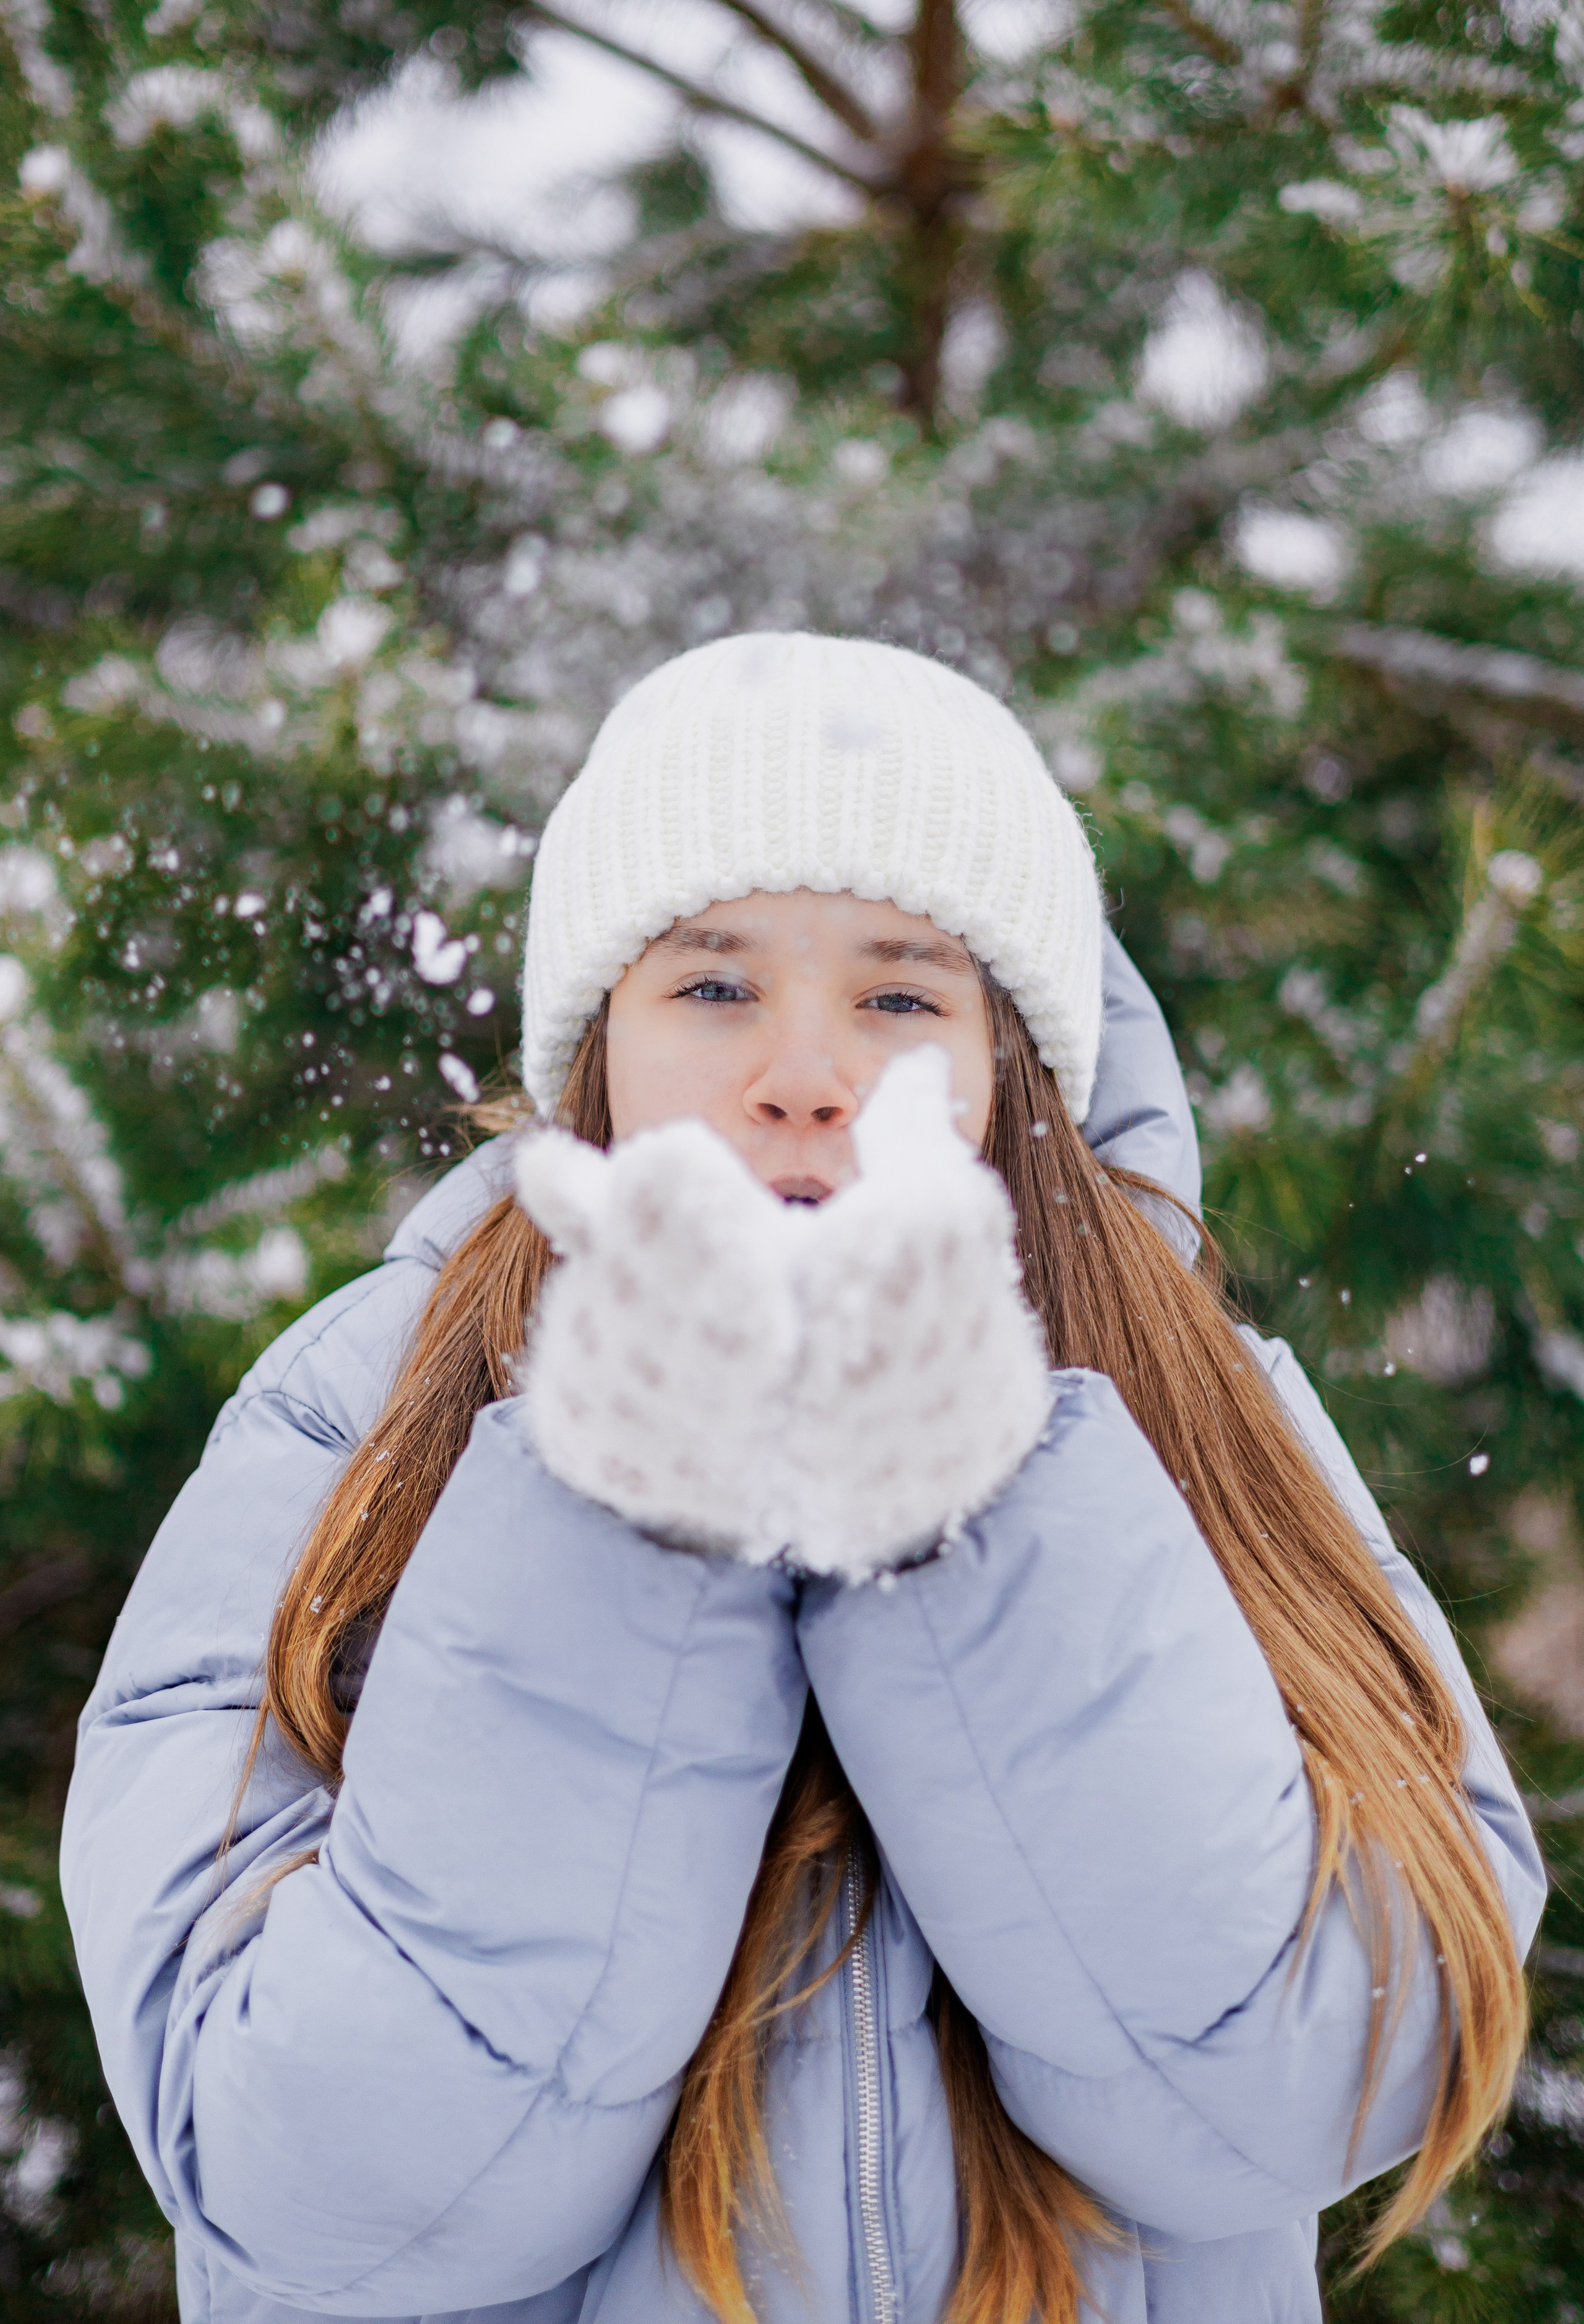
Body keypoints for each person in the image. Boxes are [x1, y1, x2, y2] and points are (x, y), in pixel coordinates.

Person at [61, 633, 1541, 2324]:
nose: (805, 1079)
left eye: (901, 1000)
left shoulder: (1204, 1408)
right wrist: (624, 1514)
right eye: (713, 988)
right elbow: (307, 2180)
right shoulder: (359, 1413)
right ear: (598, 1045)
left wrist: (977, 1507)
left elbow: (1310, 2087)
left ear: (1011, 1065)